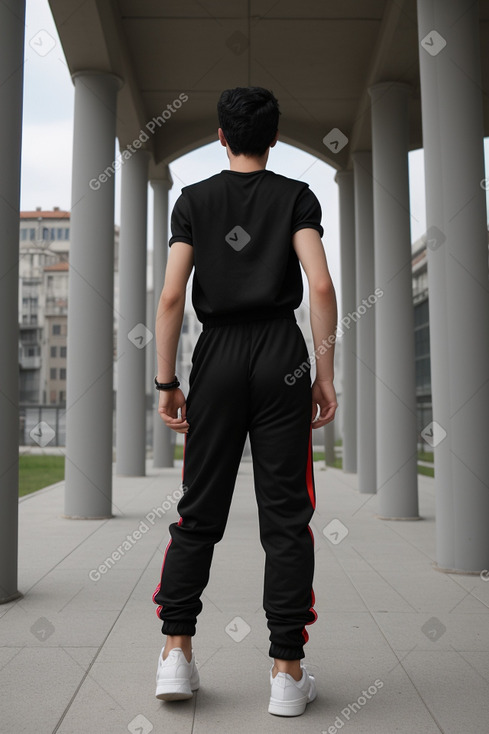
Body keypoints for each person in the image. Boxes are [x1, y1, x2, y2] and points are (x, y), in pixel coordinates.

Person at [152, 86, 337, 717]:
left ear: (222, 137)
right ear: (275, 138)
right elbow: (321, 284)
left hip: (219, 357)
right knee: (286, 517)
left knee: (198, 510)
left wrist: (167, 383)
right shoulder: (297, 196)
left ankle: (176, 655)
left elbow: (172, 298)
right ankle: (287, 673)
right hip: (282, 357)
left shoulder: (194, 201)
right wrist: (324, 373)